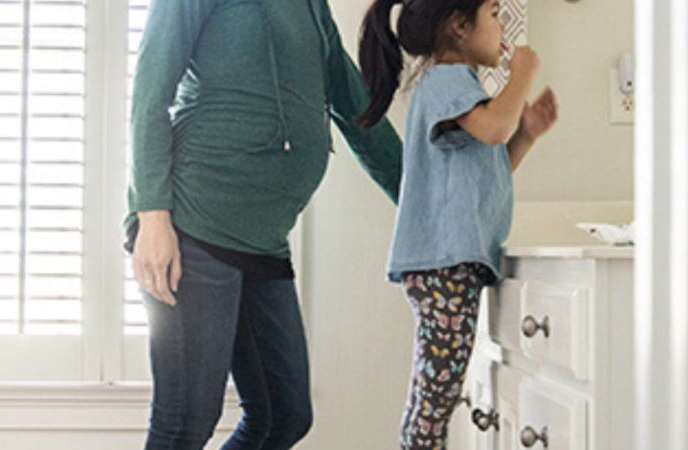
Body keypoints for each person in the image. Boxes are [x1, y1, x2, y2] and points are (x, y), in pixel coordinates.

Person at [123, 0, 404, 448]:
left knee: (283, 416)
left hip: (263, 239)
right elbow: (150, 90)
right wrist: (153, 216)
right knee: (186, 421)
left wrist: (421, 204)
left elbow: (358, 111)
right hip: (194, 222)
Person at [357, 0, 559, 448]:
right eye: (493, 13)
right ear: (458, 27)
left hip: (447, 265)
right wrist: (521, 72)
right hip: (444, 267)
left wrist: (525, 132)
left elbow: (488, 166)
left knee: (433, 397)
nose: (501, 23)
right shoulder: (447, 80)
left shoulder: (458, 88)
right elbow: (492, 130)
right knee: (435, 400)